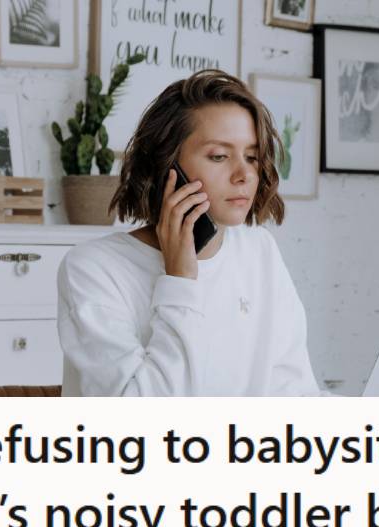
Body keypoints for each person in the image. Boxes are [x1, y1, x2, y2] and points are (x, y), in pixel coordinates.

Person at [56, 69, 321, 396]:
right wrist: (179, 278)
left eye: (252, 157)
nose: (243, 174)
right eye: (219, 156)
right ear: (168, 166)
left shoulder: (259, 251)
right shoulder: (92, 268)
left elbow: (294, 393)